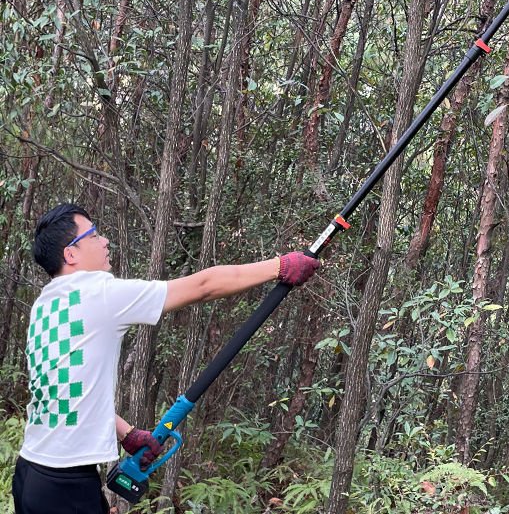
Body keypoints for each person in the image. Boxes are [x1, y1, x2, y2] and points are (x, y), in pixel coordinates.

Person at [12, 202, 320, 514]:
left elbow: (67, 392)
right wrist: (280, 266)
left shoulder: (45, 305)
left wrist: (127, 434)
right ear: (71, 254)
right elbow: (203, 286)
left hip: (31, 473)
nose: (105, 241)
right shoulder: (97, 292)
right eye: (94, 235)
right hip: (66, 485)